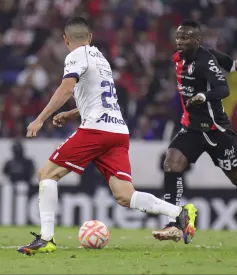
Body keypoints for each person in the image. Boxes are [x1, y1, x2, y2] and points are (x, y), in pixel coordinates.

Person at [17, 17, 197, 255]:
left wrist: (40, 118)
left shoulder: (75, 56)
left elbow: (66, 88)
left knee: (47, 174)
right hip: (118, 131)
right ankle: (180, 212)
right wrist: (72, 113)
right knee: (125, 194)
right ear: (90, 37)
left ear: (65, 40)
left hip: (97, 130)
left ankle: (46, 238)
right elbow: (99, 97)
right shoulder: (101, 59)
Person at [152, 20, 237, 241]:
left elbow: (224, 88)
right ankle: (174, 222)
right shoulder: (181, 57)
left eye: (185, 38)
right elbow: (214, 53)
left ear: (196, 40)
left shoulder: (204, 63)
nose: (180, 41)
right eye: (178, 37)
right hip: (192, 128)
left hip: (217, 130)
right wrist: (233, 65)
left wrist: (204, 96)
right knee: (172, 162)